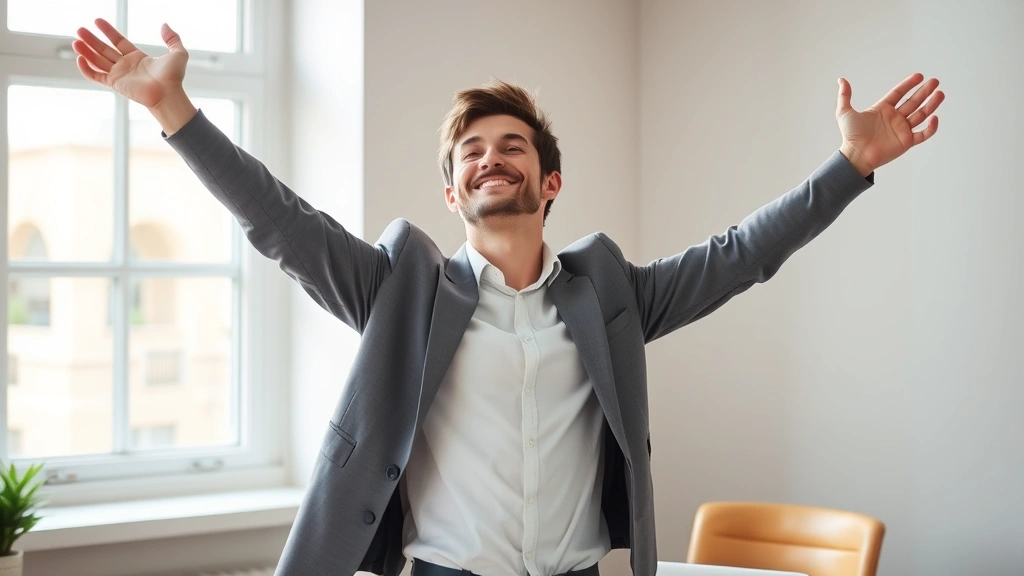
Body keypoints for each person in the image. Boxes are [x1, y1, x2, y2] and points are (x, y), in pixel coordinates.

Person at [72, 18, 943, 576]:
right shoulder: (396, 292)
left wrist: (850, 168)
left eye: (514, 145)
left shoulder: (611, 295)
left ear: (550, 178)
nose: (493, 157)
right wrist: (175, 110)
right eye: (473, 151)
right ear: (452, 192)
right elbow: (279, 222)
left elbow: (742, 255)